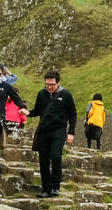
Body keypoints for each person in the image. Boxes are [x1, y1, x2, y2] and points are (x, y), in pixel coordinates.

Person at [26, 69, 76, 198]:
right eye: (47, 84)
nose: (49, 87)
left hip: (59, 130)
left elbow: (73, 114)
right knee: (43, 161)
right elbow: (37, 110)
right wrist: (28, 113)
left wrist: (71, 132)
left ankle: (55, 186)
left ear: (58, 83)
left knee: (55, 156)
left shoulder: (66, 95)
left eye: (52, 85)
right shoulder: (41, 94)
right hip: (44, 131)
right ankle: (45, 189)